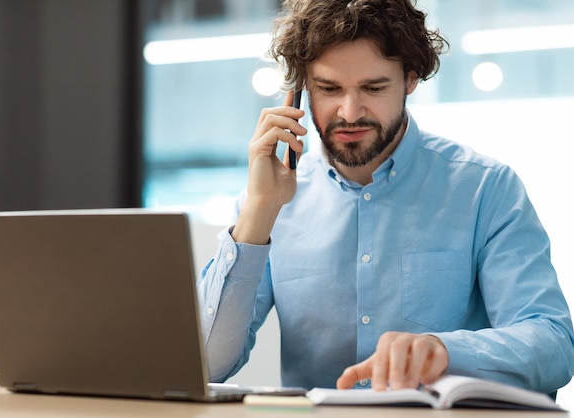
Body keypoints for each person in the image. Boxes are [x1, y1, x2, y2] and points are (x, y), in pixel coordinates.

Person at [196, 0, 574, 395]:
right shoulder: (267, 202)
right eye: (329, 88)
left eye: (373, 88)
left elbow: (553, 346)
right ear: (301, 89)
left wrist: (443, 350)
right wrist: (259, 211)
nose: (349, 111)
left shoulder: (486, 189)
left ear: (411, 79)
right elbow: (207, 366)